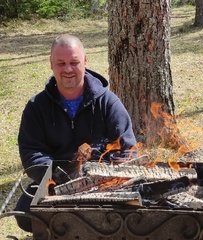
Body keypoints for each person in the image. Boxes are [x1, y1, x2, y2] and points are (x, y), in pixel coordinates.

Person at [15, 33, 137, 232]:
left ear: (85, 61)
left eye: (74, 62)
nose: (68, 69)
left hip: (101, 186)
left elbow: (126, 150)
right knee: (25, 214)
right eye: (61, 63)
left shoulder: (108, 103)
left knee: (127, 215)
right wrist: (60, 178)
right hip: (55, 184)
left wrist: (100, 180)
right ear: (51, 63)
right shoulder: (36, 107)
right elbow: (31, 152)